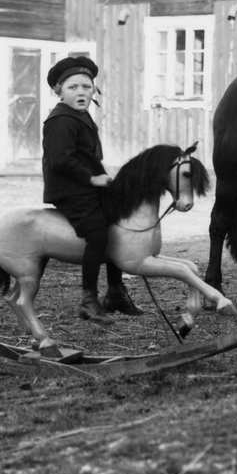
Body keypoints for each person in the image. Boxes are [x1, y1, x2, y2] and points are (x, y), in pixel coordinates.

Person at [42, 55, 144, 324]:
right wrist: (91, 179)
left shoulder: (80, 116)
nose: (81, 92)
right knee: (98, 233)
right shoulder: (60, 120)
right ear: (59, 91)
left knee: (116, 222)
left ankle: (116, 292)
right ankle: (88, 301)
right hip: (69, 189)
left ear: (94, 91)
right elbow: (60, 160)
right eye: (73, 87)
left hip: (84, 186)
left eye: (86, 87)